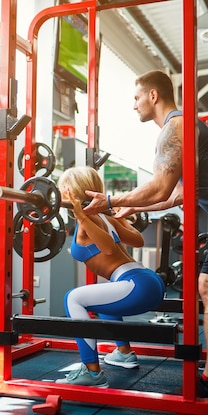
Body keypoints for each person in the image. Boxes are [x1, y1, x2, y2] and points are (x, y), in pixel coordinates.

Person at [83, 70, 208, 404]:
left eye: (136, 97)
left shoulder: (174, 127)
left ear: (153, 95)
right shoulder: (183, 128)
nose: (134, 105)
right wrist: (129, 209)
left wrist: (112, 200)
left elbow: (160, 186)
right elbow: (175, 196)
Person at [55, 165, 166, 388]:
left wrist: (82, 218)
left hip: (135, 285)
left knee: (72, 298)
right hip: (149, 281)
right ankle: (124, 352)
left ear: (69, 192)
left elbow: (106, 247)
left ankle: (92, 372)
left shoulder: (87, 219)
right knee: (102, 298)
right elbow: (138, 241)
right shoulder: (108, 217)